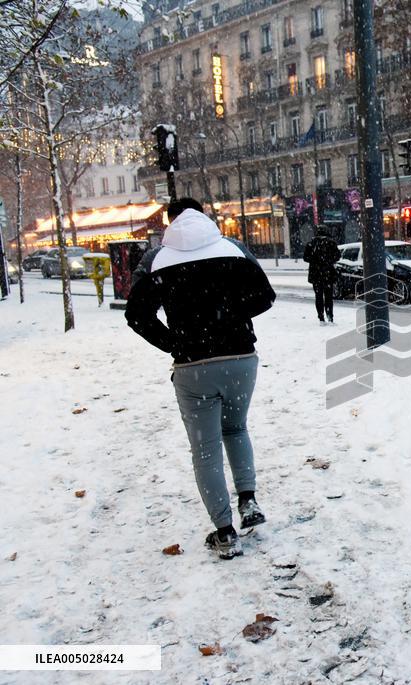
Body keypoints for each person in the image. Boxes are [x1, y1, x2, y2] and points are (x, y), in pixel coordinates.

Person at [125, 198, 276, 560]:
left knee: (205, 449)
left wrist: (173, 341)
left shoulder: (159, 260)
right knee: (237, 430)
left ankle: (225, 532)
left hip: (194, 366)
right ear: (206, 218)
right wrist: (230, 317)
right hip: (241, 359)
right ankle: (249, 500)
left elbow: (136, 314)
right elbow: (265, 297)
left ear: (170, 224)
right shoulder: (232, 249)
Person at [302, 225, 341, 324]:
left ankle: (321, 317)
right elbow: (337, 256)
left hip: (316, 274)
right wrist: (328, 261)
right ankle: (330, 317)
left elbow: (305, 257)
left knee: (318, 296)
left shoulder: (311, 244)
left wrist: (315, 261)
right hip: (328, 273)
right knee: (328, 297)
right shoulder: (331, 243)